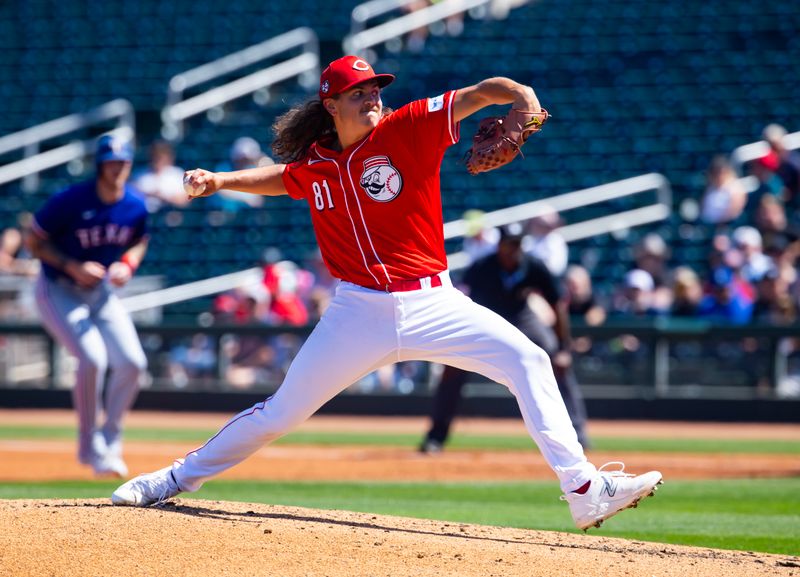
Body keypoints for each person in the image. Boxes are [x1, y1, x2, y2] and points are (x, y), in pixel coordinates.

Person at [112, 55, 661, 531]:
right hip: (357, 313)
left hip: (434, 303)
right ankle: (174, 479)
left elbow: (483, 92)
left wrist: (524, 99)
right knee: (279, 413)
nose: (373, 96)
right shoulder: (320, 164)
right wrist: (222, 181)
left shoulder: (409, 126)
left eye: (376, 88)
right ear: (332, 104)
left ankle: (585, 491)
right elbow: (287, 178)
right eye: (360, 91)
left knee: (529, 359)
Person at [25, 134, 149, 477]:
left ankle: (111, 437)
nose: (117, 169)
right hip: (58, 287)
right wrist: (71, 266)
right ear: (99, 165)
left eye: (123, 162)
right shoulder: (71, 201)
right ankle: (89, 445)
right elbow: (33, 242)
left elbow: (140, 240)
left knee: (133, 363)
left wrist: (129, 263)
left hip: (101, 292)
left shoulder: (135, 204)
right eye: (112, 162)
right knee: (92, 358)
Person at [419, 223, 590, 453]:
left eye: (518, 244)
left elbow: (557, 305)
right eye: (509, 244)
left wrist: (563, 349)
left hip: (521, 318)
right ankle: (436, 437)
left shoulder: (532, 265)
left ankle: (577, 434)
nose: (514, 249)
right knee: (452, 369)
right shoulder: (482, 267)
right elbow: (459, 296)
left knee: (555, 360)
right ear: (499, 245)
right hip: (485, 319)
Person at [132, 140, 188, 212]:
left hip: (170, 216)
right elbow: (131, 196)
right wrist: (147, 194)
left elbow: (185, 200)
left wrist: (164, 197)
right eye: (155, 156)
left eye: (161, 156)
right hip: (143, 215)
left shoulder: (177, 174)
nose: (157, 160)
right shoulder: (139, 175)